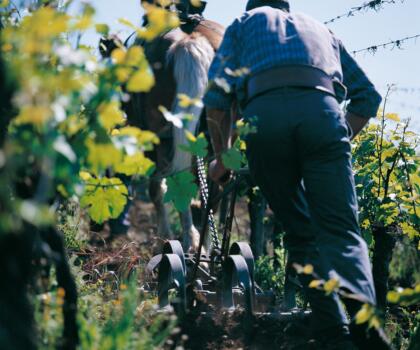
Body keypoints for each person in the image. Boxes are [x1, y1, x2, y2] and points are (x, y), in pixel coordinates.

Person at [204, 1, 392, 349]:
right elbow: (367, 96)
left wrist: (222, 159)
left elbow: (216, 97)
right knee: (343, 233)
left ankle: (335, 335)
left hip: (266, 120)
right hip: (323, 114)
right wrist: (332, 141)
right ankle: (366, 327)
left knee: (302, 235)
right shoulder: (321, 29)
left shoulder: (244, 23)